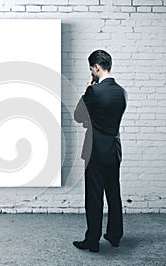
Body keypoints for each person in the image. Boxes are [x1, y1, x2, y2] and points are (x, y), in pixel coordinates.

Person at [72, 50, 127, 252]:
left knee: (94, 197)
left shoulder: (94, 91)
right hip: (114, 149)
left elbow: (79, 116)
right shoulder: (121, 92)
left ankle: (92, 240)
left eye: (91, 69)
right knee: (114, 194)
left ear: (96, 67)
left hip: (96, 151)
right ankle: (114, 236)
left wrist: (86, 92)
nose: (91, 73)